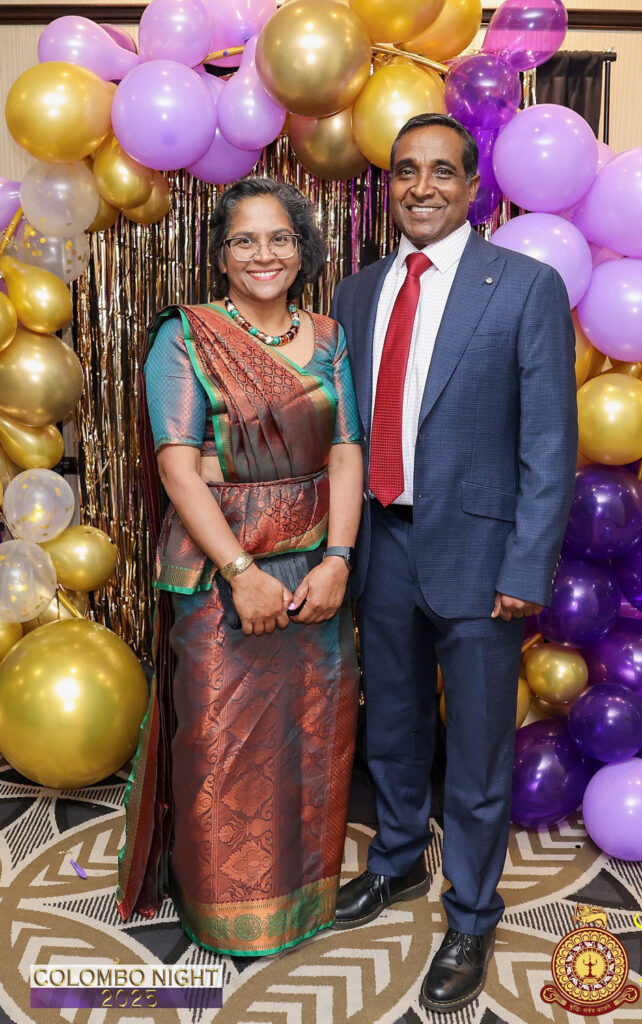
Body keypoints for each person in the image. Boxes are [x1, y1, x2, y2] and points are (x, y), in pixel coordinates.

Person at [330, 114, 577, 1013]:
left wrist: (525, 565)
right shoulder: (357, 292)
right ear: (387, 186)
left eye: (441, 171)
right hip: (381, 547)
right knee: (392, 730)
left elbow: (548, 443)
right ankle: (396, 861)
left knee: (474, 753)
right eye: (405, 171)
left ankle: (471, 912)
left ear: (473, 188)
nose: (421, 186)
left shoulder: (525, 286)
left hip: (481, 558)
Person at [117, 177, 363, 957]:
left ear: (302, 249)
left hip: (314, 571)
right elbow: (178, 468)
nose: (263, 254)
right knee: (221, 747)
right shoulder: (186, 336)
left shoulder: (328, 336)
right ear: (220, 257)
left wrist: (338, 560)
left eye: (279, 237)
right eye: (243, 240)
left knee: (313, 742)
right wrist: (240, 572)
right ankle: (226, 915)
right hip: (222, 578)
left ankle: (302, 901)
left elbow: (345, 450)